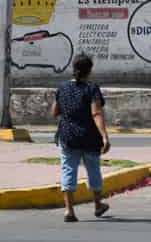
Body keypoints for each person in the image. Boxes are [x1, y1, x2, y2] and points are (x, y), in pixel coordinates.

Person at [51, 54, 111, 222]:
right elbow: (96, 113)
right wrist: (105, 137)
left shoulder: (62, 88)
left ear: (74, 68)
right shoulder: (92, 89)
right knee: (93, 169)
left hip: (67, 136)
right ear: (89, 71)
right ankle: (98, 205)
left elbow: (54, 112)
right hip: (89, 137)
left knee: (68, 170)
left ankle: (69, 210)